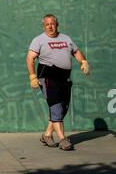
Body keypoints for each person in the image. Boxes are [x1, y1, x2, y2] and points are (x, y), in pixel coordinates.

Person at [26, 14, 90, 151]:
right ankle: (62, 139)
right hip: (48, 76)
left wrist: (83, 61)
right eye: (47, 24)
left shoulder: (66, 38)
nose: (50, 26)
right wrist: (32, 76)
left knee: (63, 107)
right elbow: (30, 58)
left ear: (57, 24)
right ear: (44, 26)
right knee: (55, 106)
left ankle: (47, 135)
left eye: (52, 23)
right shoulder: (38, 40)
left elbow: (76, 51)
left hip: (64, 78)